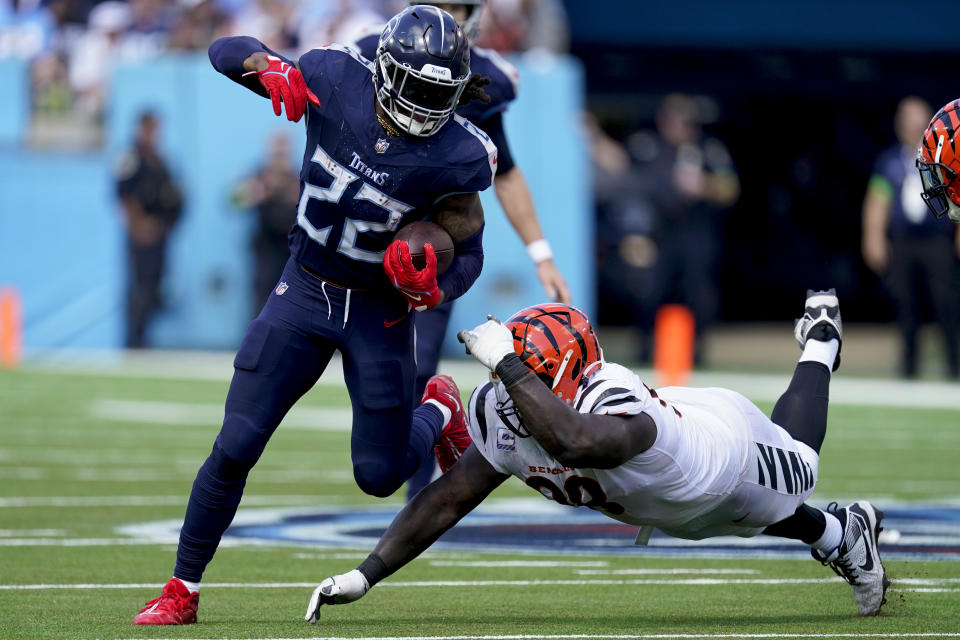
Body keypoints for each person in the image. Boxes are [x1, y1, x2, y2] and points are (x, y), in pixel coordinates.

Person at [133, 6, 496, 625]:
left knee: (379, 477)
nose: (423, 104)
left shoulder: (458, 155)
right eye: (414, 84)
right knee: (237, 443)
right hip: (304, 290)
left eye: (438, 92)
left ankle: (437, 407)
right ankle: (182, 588)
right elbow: (227, 50)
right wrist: (271, 67)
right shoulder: (333, 79)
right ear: (385, 69)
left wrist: (435, 290)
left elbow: (470, 251)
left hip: (378, 312)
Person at [303, 291, 891, 621]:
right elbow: (448, 497)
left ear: (561, 375)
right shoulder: (504, 405)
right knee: (746, 518)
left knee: (796, 474)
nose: (508, 390)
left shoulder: (612, 396)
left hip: (725, 452)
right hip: (669, 503)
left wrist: (508, 364)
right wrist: (366, 573)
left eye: (527, 374)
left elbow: (574, 443)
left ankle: (820, 341)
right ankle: (845, 534)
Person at [354, 0, 571, 498]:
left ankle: (417, 503)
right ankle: (433, 421)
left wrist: (541, 252)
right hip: (362, 237)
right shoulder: (370, 53)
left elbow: (507, 171)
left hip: (427, 248)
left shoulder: (484, 78)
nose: (451, 13)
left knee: (418, 365)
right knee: (370, 382)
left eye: (460, 4)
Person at [633, 94, 740, 364]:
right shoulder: (648, 147)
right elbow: (628, 185)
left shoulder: (709, 150)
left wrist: (704, 185)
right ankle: (646, 351)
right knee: (650, 291)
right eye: (674, 121)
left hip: (696, 231)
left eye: (686, 122)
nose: (680, 128)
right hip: (658, 232)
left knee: (697, 292)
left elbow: (731, 189)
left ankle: (695, 353)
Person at [865, 97, 960, 378]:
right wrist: (873, 236)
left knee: (946, 302)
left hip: (938, 241)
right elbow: (877, 199)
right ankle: (908, 369)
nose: (914, 126)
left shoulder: (947, 157)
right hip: (903, 241)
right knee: (906, 304)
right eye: (908, 120)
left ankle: (954, 366)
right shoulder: (888, 161)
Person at [115, 110, 184, 349]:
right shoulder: (130, 157)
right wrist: (139, 227)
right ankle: (134, 341)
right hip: (140, 234)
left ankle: (143, 338)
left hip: (159, 234)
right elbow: (123, 196)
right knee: (139, 288)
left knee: (154, 287)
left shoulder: (160, 159)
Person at [231, 132, 300, 314]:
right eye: (277, 152)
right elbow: (234, 200)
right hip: (266, 250)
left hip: (291, 250)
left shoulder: (297, 179)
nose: (280, 158)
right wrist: (258, 192)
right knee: (262, 298)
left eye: (283, 153)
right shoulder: (259, 178)